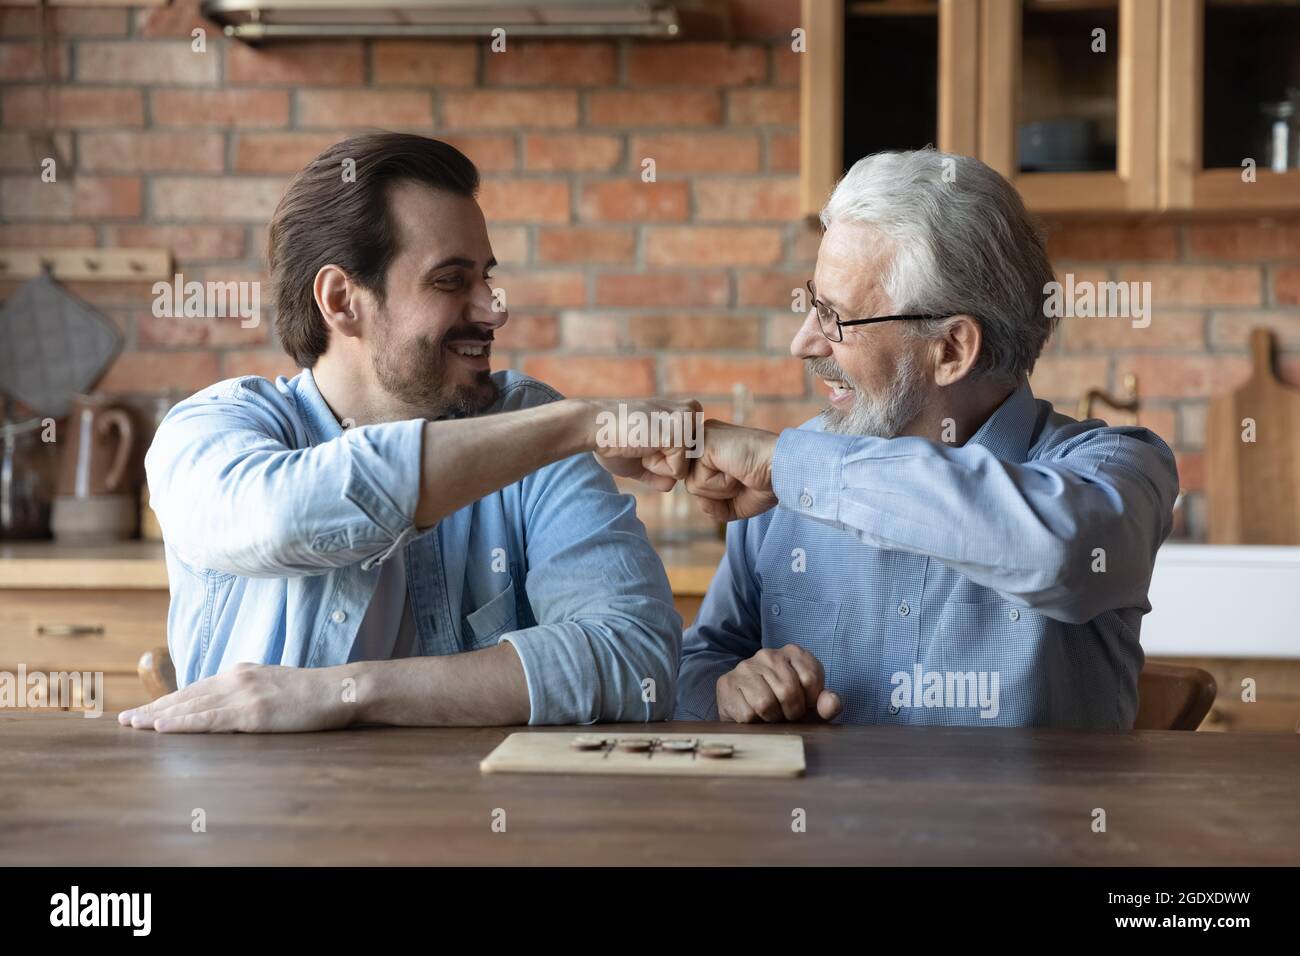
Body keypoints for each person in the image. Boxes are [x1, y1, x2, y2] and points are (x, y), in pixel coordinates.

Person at [122, 133, 696, 733]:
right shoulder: (212, 428)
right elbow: (280, 518)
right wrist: (583, 422)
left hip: (474, 820)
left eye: (486, 278)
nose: (494, 309)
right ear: (343, 301)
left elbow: (637, 660)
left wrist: (347, 692)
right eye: (451, 281)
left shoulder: (535, 426)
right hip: (258, 819)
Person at [667, 149, 1179, 729]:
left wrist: (785, 464)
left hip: (1029, 824)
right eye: (814, 304)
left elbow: (1060, 552)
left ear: (952, 350)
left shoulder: (1117, 469)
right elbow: (699, 664)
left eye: (835, 317)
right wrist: (728, 691)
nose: (804, 343)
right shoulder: (790, 477)